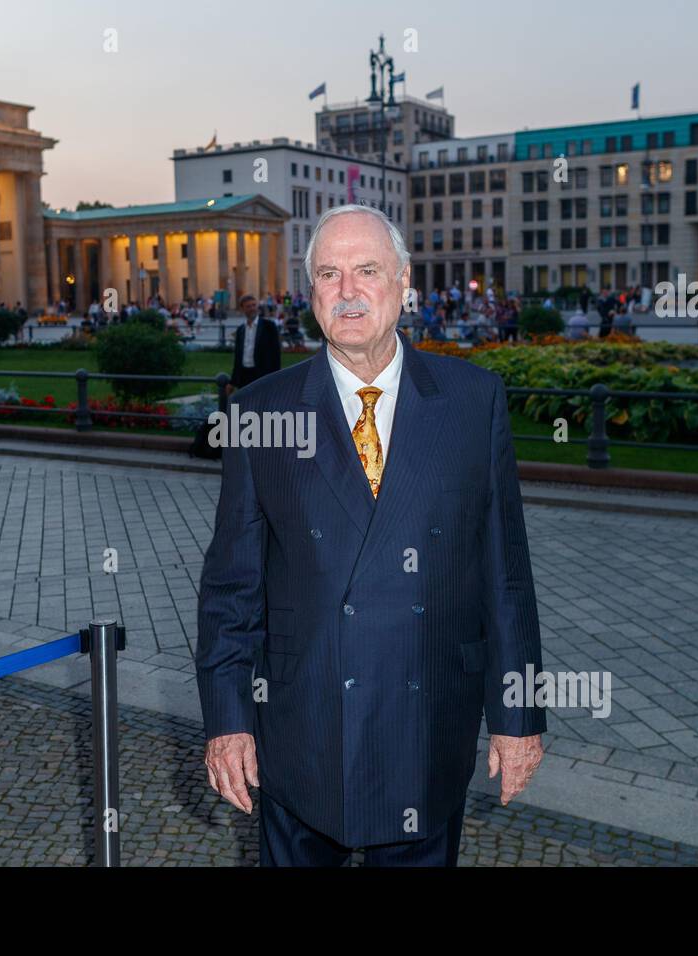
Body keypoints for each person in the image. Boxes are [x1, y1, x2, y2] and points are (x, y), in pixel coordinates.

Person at [197, 204, 547, 867]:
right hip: (301, 739)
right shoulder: (260, 413)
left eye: (366, 270)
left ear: (404, 281)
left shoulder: (473, 402)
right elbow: (230, 588)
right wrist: (228, 720)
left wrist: (519, 716)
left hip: (424, 734)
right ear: (310, 293)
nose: (348, 292)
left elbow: (505, 573)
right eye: (328, 274)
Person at [228, 294, 280, 393]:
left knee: (261, 406)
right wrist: (233, 382)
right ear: (242, 309)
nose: (252, 308)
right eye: (248, 306)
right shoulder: (240, 330)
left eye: (254, 305)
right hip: (244, 375)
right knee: (245, 406)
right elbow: (238, 358)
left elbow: (276, 355)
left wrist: (275, 378)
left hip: (261, 375)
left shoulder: (269, 327)